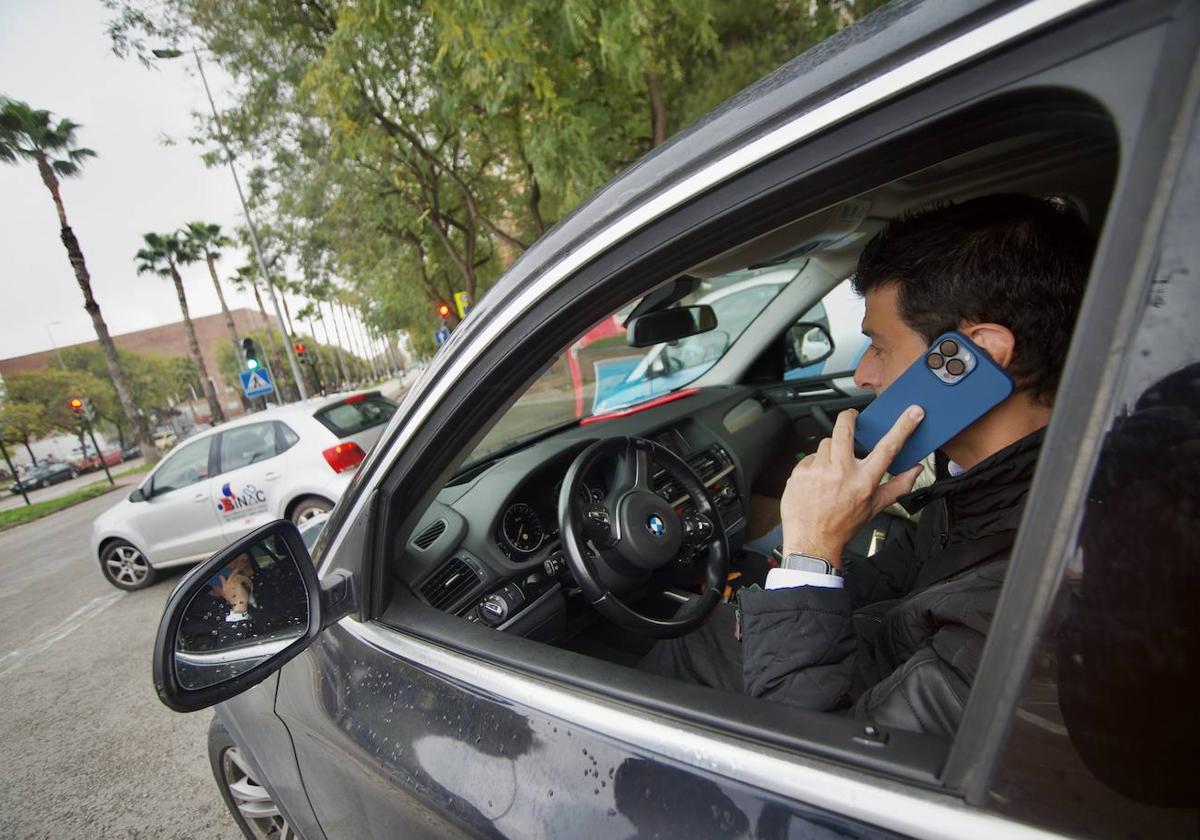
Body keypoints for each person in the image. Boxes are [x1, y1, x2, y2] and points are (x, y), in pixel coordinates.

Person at [639, 193, 1095, 737]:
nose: (862, 373)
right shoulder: (987, 492)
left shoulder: (1029, 605)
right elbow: (886, 586)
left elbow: (814, 758)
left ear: (977, 358)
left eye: (880, 345)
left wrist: (811, 551)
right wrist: (804, 566)